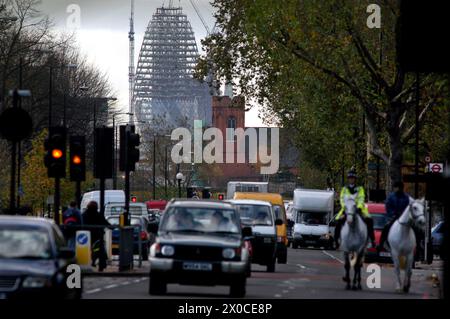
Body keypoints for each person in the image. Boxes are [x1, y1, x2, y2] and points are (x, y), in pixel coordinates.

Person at [334, 169, 376, 248]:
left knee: (369, 220)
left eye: (353, 178)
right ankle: (336, 240)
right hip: (347, 210)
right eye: (350, 178)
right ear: (348, 179)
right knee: (339, 222)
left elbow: (361, 198)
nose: (351, 179)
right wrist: (345, 207)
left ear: (355, 179)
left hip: (357, 209)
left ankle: (372, 240)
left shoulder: (360, 189)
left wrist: (358, 207)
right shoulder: (344, 189)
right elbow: (342, 199)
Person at [377, 181, 414, 252]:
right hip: (394, 217)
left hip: (404, 217)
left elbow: (408, 208)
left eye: (395, 188)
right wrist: (393, 214)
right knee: (386, 227)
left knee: (415, 228)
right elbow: (388, 207)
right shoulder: (391, 197)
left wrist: (404, 214)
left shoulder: (406, 197)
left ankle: (418, 246)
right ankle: (381, 244)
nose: (395, 189)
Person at [82, 201, 110, 271]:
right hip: (98, 235)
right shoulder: (98, 214)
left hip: (86, 236)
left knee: (91, 249)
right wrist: (112, 226)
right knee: (100, 249)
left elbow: (81, 223)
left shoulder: (84, 214)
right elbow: (105, 223)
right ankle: (101, 264)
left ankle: (93, 262)